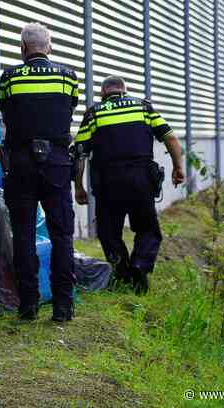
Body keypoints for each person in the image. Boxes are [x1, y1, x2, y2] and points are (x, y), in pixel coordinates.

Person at [73, 76, 185, 294]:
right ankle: (139, 266)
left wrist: (79, 186)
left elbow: (80, 152)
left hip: (108, 184)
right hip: (141, 181)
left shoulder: (95, 113)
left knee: (108, 232)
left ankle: (123, 275)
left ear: (103, 93)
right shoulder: (143, 107)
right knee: (148, 229)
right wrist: (178, 167)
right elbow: (170, 138)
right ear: (125, 90)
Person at [0, 22, 78, 322]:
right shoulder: (68, 77)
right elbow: (68, 109)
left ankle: (28, 305)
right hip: (57, 161)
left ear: (22, 48)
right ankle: (63, 307)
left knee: (23, 235)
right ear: (50, 46)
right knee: (62, 234)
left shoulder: (9, 77)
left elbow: (6, 111)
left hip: (21, 162)